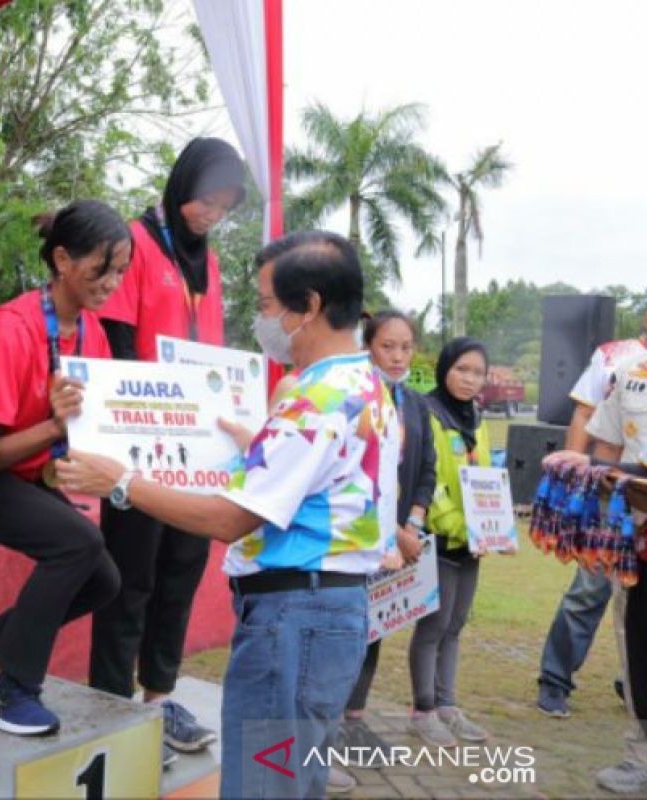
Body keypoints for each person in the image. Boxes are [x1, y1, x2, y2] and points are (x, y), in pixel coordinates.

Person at [58, 230, 400, 798]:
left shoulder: (312, 399)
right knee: (295, 780)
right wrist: (262, 443)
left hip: (291, 617)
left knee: (263, 784)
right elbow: (325, 473)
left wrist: (119, 480)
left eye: (267, 305)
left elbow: (228, 519)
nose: (262, 319)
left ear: (308, 306)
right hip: (332, 612)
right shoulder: (366, 384)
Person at [0, 201, 129, 739]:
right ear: (64, 260)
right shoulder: (11, 328)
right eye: (103, 268)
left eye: (121, 272)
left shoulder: (92, 334)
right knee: (76, 543)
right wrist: (53, 427)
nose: (112, 284)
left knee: (104, 580)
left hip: (27, 475)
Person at [89, 137, 246, 757]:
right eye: (207, 198)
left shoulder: (207, 262)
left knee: (181, 570)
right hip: (140, 439)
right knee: (131, 576)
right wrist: (146, 414)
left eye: (225, 205)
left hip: (195, 449)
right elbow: (117, 339)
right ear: (183, 185)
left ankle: (159, 697)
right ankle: (108, 701)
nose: (211, 213)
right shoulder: (136, 239)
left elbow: (213, 348)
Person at [542, 340, 647, 794]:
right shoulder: (629, 371)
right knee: (640, 648)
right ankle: (639, 757)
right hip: (639, 541)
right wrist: (589, 467)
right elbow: (607, 450)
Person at [339, 311, 436, 753]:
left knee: (375, 628)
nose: (397, 357)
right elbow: (356, 473)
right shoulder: (357, 397)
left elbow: (428, 469)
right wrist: (395, 533)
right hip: (360, 536)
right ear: (367, 346)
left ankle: (355, 720)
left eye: (405, 347)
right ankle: (332, 724)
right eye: (387, 346)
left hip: (401, 540)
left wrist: (413, 523)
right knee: (348, 630)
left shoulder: (415, 403)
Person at [406, 337, 494, 747]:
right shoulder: (426, 410)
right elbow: (431, 481)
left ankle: (447, 706)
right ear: (445, 368)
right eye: (462, 369)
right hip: (438, 539)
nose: (469, 379)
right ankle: (422, 712)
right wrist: (461, 525)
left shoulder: (477, 418)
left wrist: (492, 526)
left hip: (472, 542)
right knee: (433, 626)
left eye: (477, 372)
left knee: (455, 626)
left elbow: (487, 481)